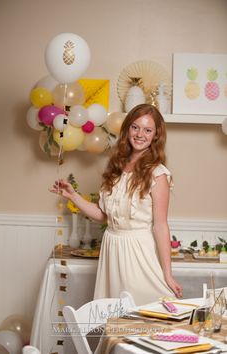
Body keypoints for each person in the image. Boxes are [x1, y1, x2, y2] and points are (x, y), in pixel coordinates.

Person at [49, 103, 183, 305]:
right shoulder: (116, 167)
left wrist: (168, 273)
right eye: (135, 127)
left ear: (156, 135)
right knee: (115, 315)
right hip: (112, 248)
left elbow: (160, 226)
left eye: (148, 130)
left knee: (150, 310)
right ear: (127, 128)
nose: (140, 134)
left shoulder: (158, 174)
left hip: (140, 251)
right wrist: (74, 196)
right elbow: (104, 216)